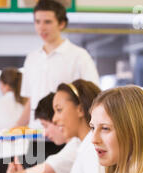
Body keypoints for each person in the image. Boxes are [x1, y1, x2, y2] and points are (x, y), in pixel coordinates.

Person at [22, 80, 104, 173]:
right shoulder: (82, 145)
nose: (54, 119)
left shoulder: (92, 147)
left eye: (59, 110)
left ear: (80, 109)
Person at [16, 0, 99, 130]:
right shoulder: (32, 59)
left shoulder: (79, 56)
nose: (41, 27)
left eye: (47, 22)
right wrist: (15, 127)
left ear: (61, 23)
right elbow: (31, 101)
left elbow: (92, 98)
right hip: (37, 134)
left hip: (66, 134)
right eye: (37, 22)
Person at [6, 92, 80, 173]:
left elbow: (48, 170)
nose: (45, 133)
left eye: (45, 125)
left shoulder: (77, 145)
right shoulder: (72, 145)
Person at [0, 67, 26, 135]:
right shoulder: (26, 104)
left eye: (0, 83)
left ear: (6, 85)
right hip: (25, 145)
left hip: (0, 144)